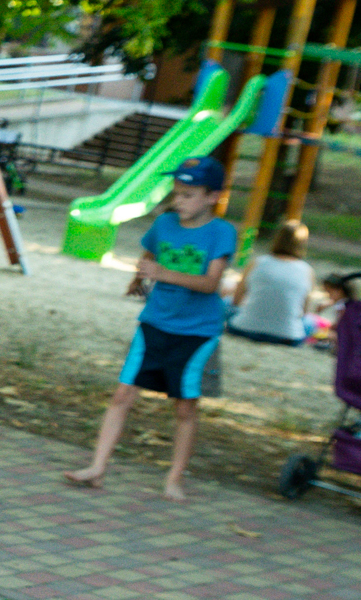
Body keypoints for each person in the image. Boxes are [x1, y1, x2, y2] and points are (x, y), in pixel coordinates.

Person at [62, 159, 237, 501]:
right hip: (154, 323)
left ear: (212, 196)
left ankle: (174, 478)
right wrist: (138, 279)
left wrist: (161, 273)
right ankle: (97, 468)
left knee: (185, 407)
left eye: (189, 195)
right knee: (122, 395)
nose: (179, 201)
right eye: (177, 194)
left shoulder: (222, 233)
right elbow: (151, 250)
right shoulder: (165, 223)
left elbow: (210, 284)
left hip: (196, 333)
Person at [229, 219, 321, 347]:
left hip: (244, 329)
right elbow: (303, 312)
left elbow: (236, 300)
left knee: (225, 304)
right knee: (310, 322)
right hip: (288, 337)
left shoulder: (257, 262)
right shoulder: (307, 271)